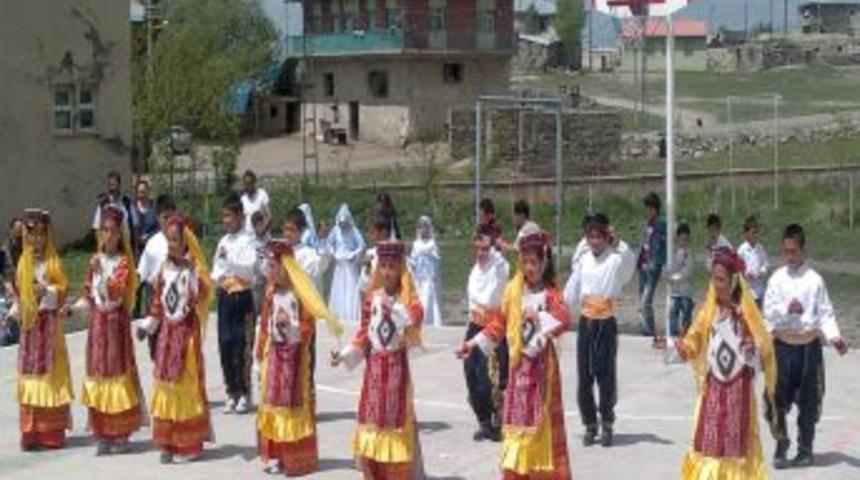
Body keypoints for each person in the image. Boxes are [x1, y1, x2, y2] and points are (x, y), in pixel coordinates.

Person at [458, 231, 572, 479]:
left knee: (541, 427)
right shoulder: (513, 290)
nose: (529, 268)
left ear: (544, 262)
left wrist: (540, 317)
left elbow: (565, 319)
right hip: (518, 370)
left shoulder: (551, 293)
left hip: (543, 371)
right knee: (517, 427)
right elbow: (498, 324)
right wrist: (473, 343)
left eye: (534, 262)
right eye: (525, 261)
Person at [672, 247, 776, 480]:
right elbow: (694, 338)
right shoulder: (710, 311)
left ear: (733, 281)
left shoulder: (747, 315)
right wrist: (683, 348)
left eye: (721, 279)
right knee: (709, 446)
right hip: (714, 388)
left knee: (736, 450)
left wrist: (751, 350)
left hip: (739, 390)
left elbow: (763, 355)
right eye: (714, 278)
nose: (716, 284)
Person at [331, 240, 425, 479]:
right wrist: (343, 354)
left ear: (401, 268)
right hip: (373, 371)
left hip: (396, 371)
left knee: (394, 422)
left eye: (392, 266)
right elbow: (365, 334)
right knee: (372, 420)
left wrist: (394, 309)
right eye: (382, 266)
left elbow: (414, 320)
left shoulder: (408, 300)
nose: (386, 272)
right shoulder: (371, 298)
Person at [253, 240, 343, 475]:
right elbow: (265, 324)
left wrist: (291, 329)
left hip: (293, 358)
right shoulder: (271, 292)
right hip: (275, 355)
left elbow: (307, 326)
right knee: (274, 404)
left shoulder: (298, 293)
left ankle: (295, 459)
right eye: (268, 266)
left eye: (273, 267)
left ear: (285, 267)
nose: (270, 271)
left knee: (292, 405)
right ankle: (279, 455)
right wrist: (258, 355)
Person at [763, 224, 848, 469]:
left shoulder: (815, 280)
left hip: (808, 348)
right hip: (782, 346)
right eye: (786, 251)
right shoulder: (777, 278)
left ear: (803, 250)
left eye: (794, 251)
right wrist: (787, 309)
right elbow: (768, 312)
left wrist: (835, 338)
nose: (789, 256)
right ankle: (781, 445)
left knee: (809, 401)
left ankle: (805, 450)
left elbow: (825, 314)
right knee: (775, 399)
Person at [136, 215, 214, 464]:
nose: (171, 245)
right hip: (167, 337)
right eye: (168, 240)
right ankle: (168, 442)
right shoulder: (163, 270)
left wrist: (193, 274)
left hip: (186, 336)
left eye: (175, 240)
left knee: (185, 387)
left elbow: (202, 294)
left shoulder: (193, 270)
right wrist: (147, 327)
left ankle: (189, 443)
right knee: (166, 387)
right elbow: (157, 306)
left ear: (185, 241)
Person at [74, 205, 145, 455]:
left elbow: (115, 291)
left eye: (113, 231)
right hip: (98, 325)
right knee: (98, 374)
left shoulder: (123, 262)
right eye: (104, 230)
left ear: (120, 234)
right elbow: (89, 293)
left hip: (115, 325)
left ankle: (120, 432)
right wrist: (73, 308)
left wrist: (100, 270)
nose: (108, 235)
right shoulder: (96, 260)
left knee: (116, 373)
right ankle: (102, 432)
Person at [564, 213, 636, 447]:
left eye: (599, 237)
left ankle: (606, 422)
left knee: (605, 374)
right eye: (591, 237)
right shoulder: (583, 260)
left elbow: (630, 263)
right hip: (586, 322)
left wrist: (618, 242)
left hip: (606, 322)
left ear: (606, 237)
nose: (595, 241)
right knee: (585, 375)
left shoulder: (615, 260)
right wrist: (557, 308)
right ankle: (589, 423)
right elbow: (572, 289)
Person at [11, 209, 73, 450]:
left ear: (47, 236)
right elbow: (19, 294)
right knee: (30, 377)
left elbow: (63, 290)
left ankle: (50, 433)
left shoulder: (52, 262)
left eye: (41, 235)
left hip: (49, 328)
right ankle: (30, 432)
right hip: (30, 330)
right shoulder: (22, 264)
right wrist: (13, 313)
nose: (37, 239)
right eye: (32, 235)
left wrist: (47, 290)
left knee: (50, 376)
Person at [211, 194, 259, 414]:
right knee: (225, 344)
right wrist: (216, 279)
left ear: (239, 216)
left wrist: (231, 262)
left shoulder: (249, 240)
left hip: (242, 297)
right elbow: (217, 267)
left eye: (229, 216)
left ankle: (245, 392)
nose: (226, 221)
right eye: (223, 216)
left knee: (242, 345)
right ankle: (231, 391)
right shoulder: (223, 241)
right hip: (225, 296)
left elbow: (249, 268)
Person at [462, 232, 510, 442]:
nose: (481, 253)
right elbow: (472, 301)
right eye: (478, 248)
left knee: (491, 378)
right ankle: (483, 422)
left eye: (485, 249)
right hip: (474, 326)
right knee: (471, 375)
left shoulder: (499, 269)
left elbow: (501, 268)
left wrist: (497, 248)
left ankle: (498, 421)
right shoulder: (474, 271)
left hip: (493, 327)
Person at [136, 194, 177, 358]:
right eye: (165, 217)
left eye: (172, 217)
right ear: (158, 218)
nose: (169, 222)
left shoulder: (185, 242)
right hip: (153, 296)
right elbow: (141, 274)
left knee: (174, 347)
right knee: (156, 346)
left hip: (176, 298)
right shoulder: (152, 243)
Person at [327, 204, 365, 325]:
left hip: (349, 264)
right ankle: (338, 314)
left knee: (351, 287)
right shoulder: (336, 231)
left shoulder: (354, 231)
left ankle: (350, 314)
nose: (343, 226)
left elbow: (362, 245)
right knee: (338, 288)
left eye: (345, 223)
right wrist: (333, 253)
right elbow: (328, 243)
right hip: (339, 264)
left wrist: (354, 254)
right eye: (341, 223)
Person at [637, 192, 667, 337]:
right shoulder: (646, 224)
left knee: (645, 301)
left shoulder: (661, 224)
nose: (648, 211)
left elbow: (663, 246)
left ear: (656, 209)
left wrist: (658, 263)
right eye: (646, 208)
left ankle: (649, 331)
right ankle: (647, 329)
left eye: (651, 208)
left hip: (653, 266)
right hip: (643, 265)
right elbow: (644, 245)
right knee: (642, 299)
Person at [409, 215, 442, 327]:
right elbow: (413, 259)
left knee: (428, 299)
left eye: (425, 227)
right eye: (421, 227)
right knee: (419, 297)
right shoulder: (416, 244)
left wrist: (430, 255)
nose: (423, 230)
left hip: (428, 277)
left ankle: (430, 321)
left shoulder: (432, 243)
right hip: (419, 277)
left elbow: (437, 260)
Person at [667, 223, 695, 336]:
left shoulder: (689, 253)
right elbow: (669, 268)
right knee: (672, 313)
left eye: (686, 239)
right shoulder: (672, 252)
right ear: (677, 238)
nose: (684, 242)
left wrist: (674, 278)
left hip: (686, 292)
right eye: (682, 239)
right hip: (674, 292)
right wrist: (668, 276)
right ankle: (673, 337)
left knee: (686, 315)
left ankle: (686, 336)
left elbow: (687, 271)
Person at [737, 216, 769, 308]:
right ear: (746, 234)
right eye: (753, 233)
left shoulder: (760, 248)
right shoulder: (742, 250)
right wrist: (748, 273)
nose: (756, 235)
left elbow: (766, 263)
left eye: (757, 232)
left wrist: (762, 271)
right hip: (747, 291)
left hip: (759, 290)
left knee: (759, 312)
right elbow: (738, 269)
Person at [92, 170, 134, 236]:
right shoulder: (103, 204)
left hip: (125, 240)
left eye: (114, 184)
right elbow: (96, 227)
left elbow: (134, 225)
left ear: (119, 185)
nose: (112, 188)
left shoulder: (127, 202)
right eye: (110, 185)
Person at [358, 217, 390, 297]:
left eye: (373, 232)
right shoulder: (370, 253)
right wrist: (367, 268)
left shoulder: (395, 254)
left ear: (383, 233)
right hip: (374, 299)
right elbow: (363, 286)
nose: (371, 235)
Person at [130, 179, 159, 259]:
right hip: (135, 248)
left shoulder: (155, 207)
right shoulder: (132, 206)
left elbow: (159, 227)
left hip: (152, 247)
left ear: (148, 192)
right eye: (139, 192)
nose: (141, 195)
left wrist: (149, 236)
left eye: (143, 192)